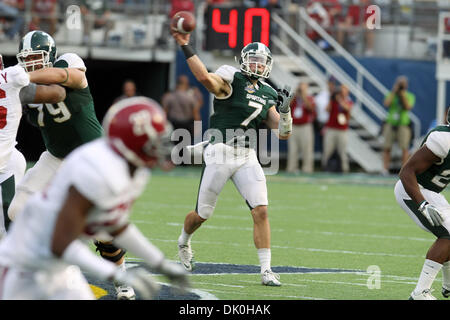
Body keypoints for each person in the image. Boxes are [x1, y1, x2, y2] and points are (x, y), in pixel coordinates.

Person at [0, 96, 189, 300]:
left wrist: (161, 263)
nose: (160, 147)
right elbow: (59, 243)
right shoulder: (95, 170)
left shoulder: (135, 170)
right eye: (154, 141)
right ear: (133, 143)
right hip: (24, 267)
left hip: (61, 268)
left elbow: (116, 224)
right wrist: (115, 274)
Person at [8, 30, 134, 300]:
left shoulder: (68, 61)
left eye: (36, 58)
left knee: (103, 232)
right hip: (54, 157)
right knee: (17, 211)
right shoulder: (21, 84)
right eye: (26, 60)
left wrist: (22, 77)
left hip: (91, 159)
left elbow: (68, 79)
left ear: (50, 55)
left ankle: (122, 279)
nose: (30, 64)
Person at [171, 28, 293, 286]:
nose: (257, 66)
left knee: (261, 211)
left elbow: (283, 134)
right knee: (202, 214)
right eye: (253, 60)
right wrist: (185, 46)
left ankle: (266, 270)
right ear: (243, 60)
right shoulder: (232, 78)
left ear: (268, 66)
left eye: (261, 62)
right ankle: (184, 241)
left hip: (247, 155)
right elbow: (204, 77)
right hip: (220, 153)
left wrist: (285, 112)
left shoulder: (269, 92)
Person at [0, 53, 66, 238]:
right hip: (4, 157)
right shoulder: (10, 78)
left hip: (6, 159)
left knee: (15, 161)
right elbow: (58, 93)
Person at [394, 108, 450, 300]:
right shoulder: (443, 139)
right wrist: (423, 204)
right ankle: (420, 293)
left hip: (432, 192)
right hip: (412, 189)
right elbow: (406, 171)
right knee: (448, 233)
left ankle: (448, 284)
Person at [382, 76, 415, 175]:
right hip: (391, 123)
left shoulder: (409, 95)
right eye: (399, 83)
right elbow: (386, 104)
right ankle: (384, 170)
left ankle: (404, 170)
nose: (400, 86)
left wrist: (402, 95)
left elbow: (407, 107)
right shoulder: (391, 94)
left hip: (403, 124)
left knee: (404, 148)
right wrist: (394, 92)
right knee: (387, 147)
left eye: (402, 84)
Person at [321, 84, 353, 173]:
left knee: (343, 152)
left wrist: (340, 100)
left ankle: (345, 169)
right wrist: (332, 98)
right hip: (331, 129)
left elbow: (347, 109)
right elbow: (327, 109)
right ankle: (325, 168)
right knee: (327, 150)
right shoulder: (333, 100)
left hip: (342, 130)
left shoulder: (348, 101)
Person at [161, 74, 202, 143]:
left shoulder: (169, 96)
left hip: (173, 126)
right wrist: (198, 131)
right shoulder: (191, 98)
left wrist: (163, 128)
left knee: (173, 148)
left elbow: (164, 113)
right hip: (187, 126)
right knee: (185, 149)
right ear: (187, 84)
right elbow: (196, 114)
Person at [286, 82, 316, 174]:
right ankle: (291, 168)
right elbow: (287, 106)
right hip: (294, 126)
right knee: (292, 149)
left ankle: (307, 169)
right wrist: (295, 94)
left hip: (305, 127)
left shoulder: (309, 98)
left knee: (307, 149)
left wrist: (303, 96)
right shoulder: (294, 98)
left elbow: (311, 108)